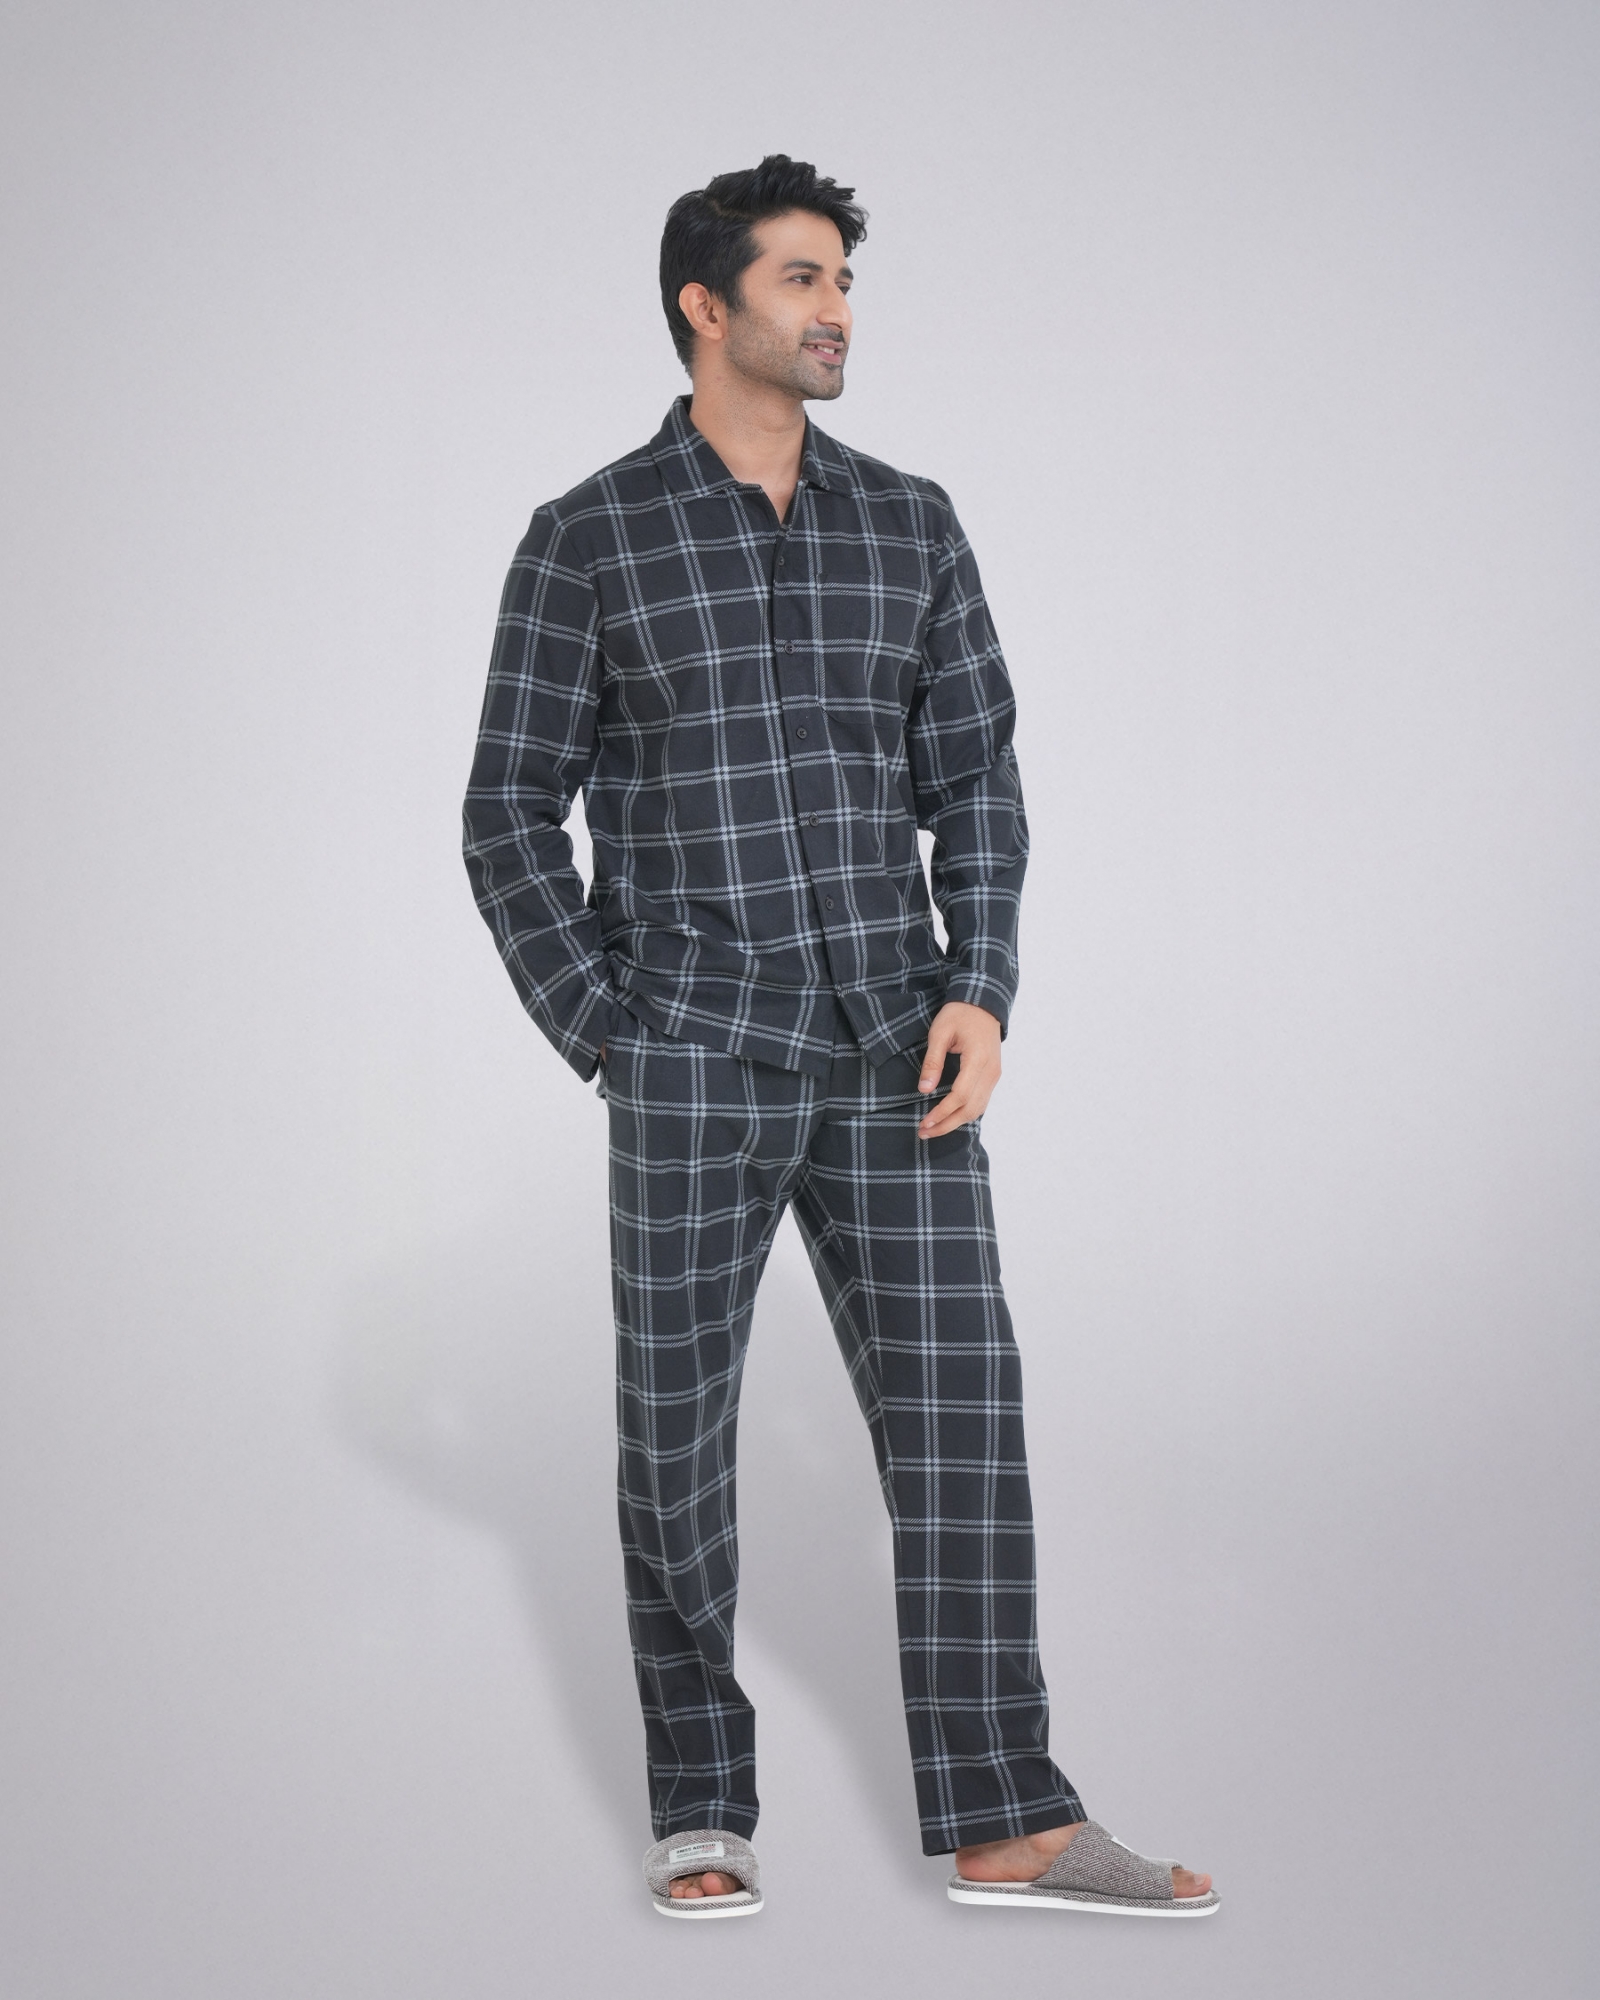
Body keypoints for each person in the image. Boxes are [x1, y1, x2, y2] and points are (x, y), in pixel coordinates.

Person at [462, 155, 1216, 1922]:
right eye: (800, 279)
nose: (836, 312)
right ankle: (700, 1809)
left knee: (963, 1421)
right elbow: (507, 813)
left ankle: (1007, 1814)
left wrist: (982, 987)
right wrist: (611, 1033)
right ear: (703, 305)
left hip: (897, 1045)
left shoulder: (911, 524)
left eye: (845, 283)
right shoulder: (589, 538)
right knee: (678, 1436)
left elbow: (978, 782)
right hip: (694, 1052)